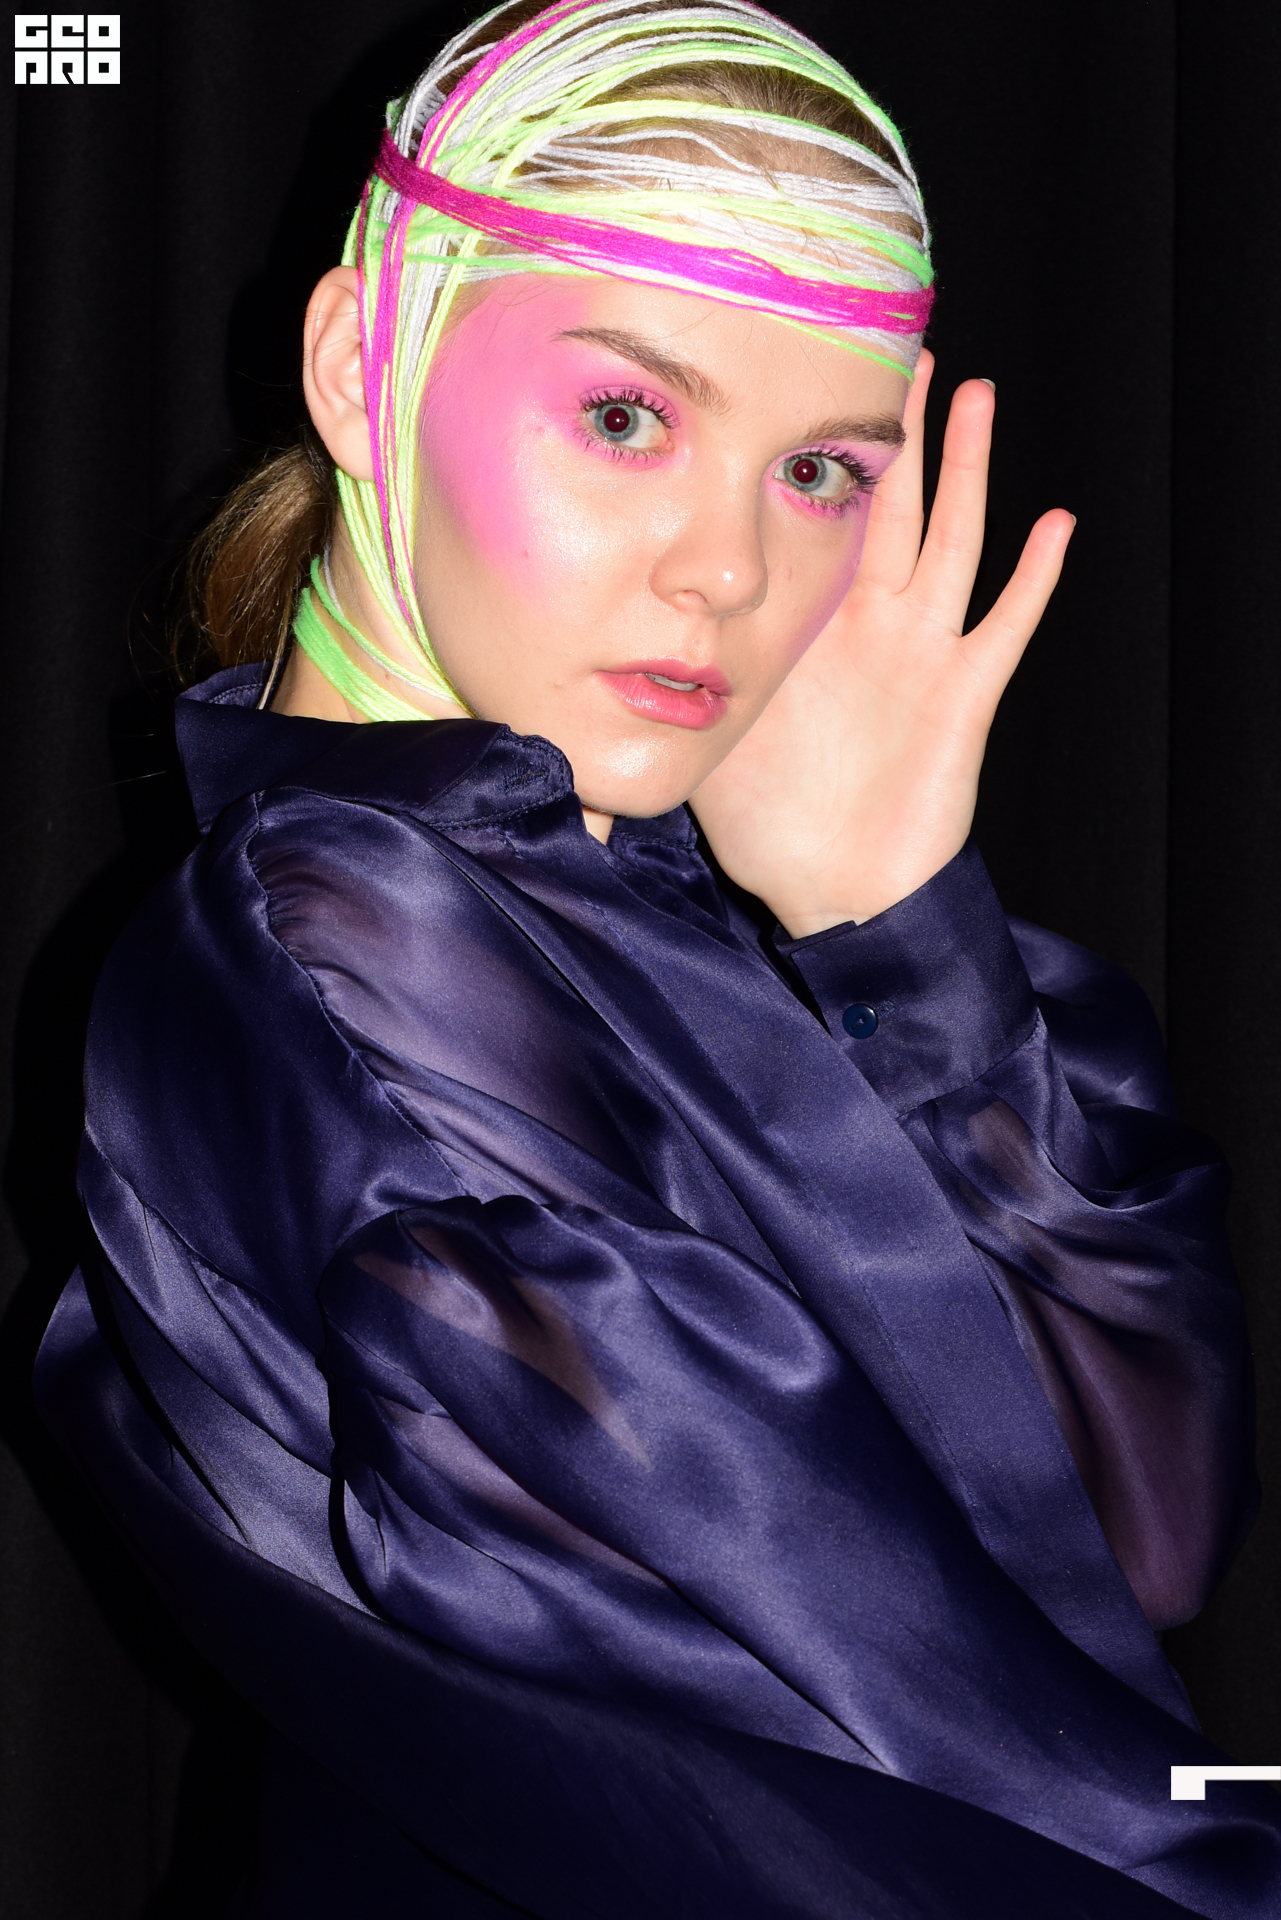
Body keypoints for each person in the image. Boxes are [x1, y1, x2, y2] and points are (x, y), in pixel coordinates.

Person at [34, 1, 1280, 1913]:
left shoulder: (634, 898)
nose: (729, 569)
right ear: (363, 368)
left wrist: (897, 925)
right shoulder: (342, 948)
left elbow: (1135, 1530)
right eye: (628, 419)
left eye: (822, 470)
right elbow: (930, 1757)